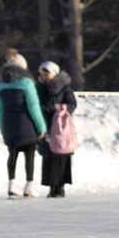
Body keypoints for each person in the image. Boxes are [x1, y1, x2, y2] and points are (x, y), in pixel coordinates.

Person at [0, 49, 46, 198]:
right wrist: (41, 127)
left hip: (9, 126)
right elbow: (34, 107)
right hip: (27, 126)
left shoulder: (1, 86)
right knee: (29, 155)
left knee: (13, 155)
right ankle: (29, 186)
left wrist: (3, 129)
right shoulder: (27, 83)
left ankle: (12, 184)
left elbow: (0, 111)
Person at [36, 61, 78, 198]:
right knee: (48, 156)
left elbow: (72, 103)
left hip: (60, 126)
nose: (44, 76)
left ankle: (59, 186)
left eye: (46, 73)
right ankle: (52, 186)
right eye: (42, 73)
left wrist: (58, 109)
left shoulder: (64, 86)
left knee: (60, 155)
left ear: (54, 73)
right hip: (45, 124)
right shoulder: (39, 87)